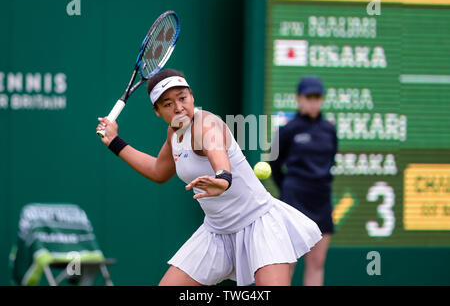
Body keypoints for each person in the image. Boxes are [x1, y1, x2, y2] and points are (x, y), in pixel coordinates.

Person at [96, 69, 322, 286]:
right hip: (216, 232)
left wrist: (223, 178)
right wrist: (116, 142)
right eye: (168, 104)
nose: (179, 108)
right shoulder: (173, 134)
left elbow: (216, 150)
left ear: (192, 96)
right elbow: (158, 171)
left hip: (259, 223)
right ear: (157, 111)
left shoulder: (206, 124)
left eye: (183, 98)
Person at [269, 76, 338, 286]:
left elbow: (331, 160)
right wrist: (288, 189)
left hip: (321, 200)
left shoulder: (329, 129)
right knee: (287, 264)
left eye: (317, 97)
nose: (313, 101)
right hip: (294, 200)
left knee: (317, 263)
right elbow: (273, 163)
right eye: (309, 97)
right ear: (299, 98)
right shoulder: (288, 130)